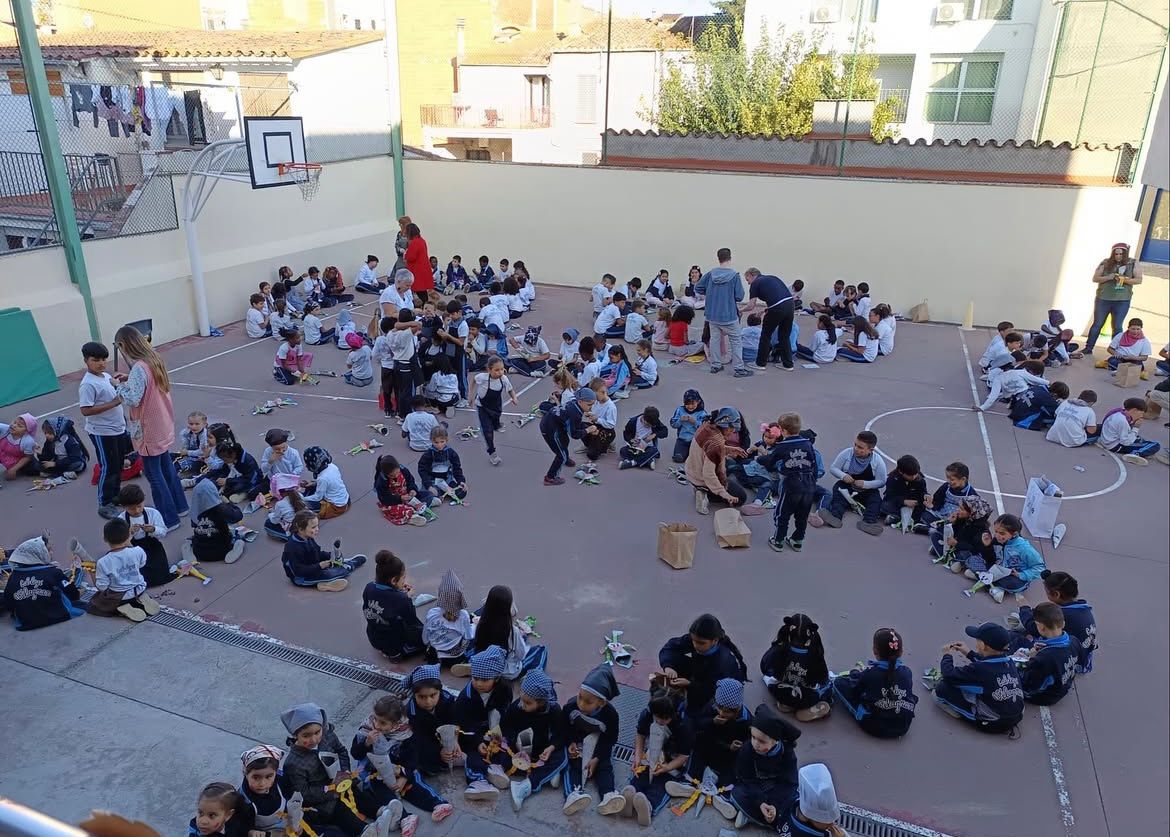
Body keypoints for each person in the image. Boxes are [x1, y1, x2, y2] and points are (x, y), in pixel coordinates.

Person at [112, 325, 189, 528]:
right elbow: (146, 384)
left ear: (124, 345)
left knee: (154, 475)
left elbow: (133, 398)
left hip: (148, 427)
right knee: (167, 467)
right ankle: (181, 507)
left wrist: (118, 386)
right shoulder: (153, 359)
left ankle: (168, 519)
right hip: (162, 422)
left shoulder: (139, 367)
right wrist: (129, 379)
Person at [350, 695, 452, 828]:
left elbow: (412, 759)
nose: (376, 725)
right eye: (375, 719)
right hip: (376, 771)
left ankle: (437, 804)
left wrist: (404, 777)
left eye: (383, 723)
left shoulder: (405, 734)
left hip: (399, 768)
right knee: (378, 789)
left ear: (396, 724)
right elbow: (355, 754)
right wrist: (366, 743)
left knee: (413, 781)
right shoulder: (366, 730)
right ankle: (404, 818)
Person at [279, 703, 369, 836]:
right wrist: (332, 792)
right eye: (306, 736)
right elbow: (303, 793)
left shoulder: (328, 736)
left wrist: (345, 770)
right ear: (295, 735)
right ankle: (364, 830)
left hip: (339, 781)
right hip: (322, 799)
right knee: (339, 810)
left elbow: (341, 751)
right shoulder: (293, 763)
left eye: (317, 732)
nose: (314, 739)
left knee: (357, 792)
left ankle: (382, 810)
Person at [716, 704, 800, 829]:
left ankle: (750, 815)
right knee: (737, 793)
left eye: (762, 741)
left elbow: (789, 782)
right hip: (754, 787)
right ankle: (761, 816)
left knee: (794, 798)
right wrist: (760, 802)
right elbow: (747, 779)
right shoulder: (747, 749)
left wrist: (774, 805)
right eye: (753, 737)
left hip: (776, 787)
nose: (755, 744)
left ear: (775, 741)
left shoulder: (786, 753)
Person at [934, 622, 1024, 734]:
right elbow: (988, 663)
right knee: (983, 686)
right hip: (1017, 715)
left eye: (977, 640)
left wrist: (946, 655)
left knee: (942, 688)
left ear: (982, 645)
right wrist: (969, 653)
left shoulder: (979, 669)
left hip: (993, 722)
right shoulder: (1009, 661)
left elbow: (948, 675)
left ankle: (964, 713)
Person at [560, 665, 625, 816]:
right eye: (580, 697)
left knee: (605, 767)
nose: (581, 704)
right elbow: (563, 727)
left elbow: (610, 739)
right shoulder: (571, 707)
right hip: (578, 745)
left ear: (601, 703)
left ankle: (608, 795)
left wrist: (597, 758)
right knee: (574, 765)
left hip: (598, 747)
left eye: (588, 702)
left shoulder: (611, 715)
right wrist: (570, 742)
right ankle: (573, 794)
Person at [79, 342, 134, 519]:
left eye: (104, 359)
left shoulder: (105, 376)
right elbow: (85, 410)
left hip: (117, 428)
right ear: (86, 361)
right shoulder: (88, 384)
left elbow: (113, 392)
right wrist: (114, 403)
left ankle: (115, 496)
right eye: (96, 360)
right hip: (102, 432)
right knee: (108, 467)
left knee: (118, 464)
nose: (101, 363)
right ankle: (104, 503)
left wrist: (119, 383)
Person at [499, 670, 568, 812]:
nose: (523, 705)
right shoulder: (517, 707)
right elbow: (506, 727)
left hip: (542, 751)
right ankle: (547, 775)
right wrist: (515, 742)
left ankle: (525, 786)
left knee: (562, 757)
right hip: (519, 750)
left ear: (541, 702)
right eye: (522, 699)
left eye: (528, 703)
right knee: (500, 750)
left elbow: (560, 734)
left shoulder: (554, 710)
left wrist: (551, 748)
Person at [832, 627, 918, 738]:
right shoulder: (907, 672)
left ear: (875, 651)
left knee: (839, 683)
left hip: (875, 726)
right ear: (901, 652)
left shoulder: (870, 674)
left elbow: (854, 692)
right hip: (903, 726)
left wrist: (855, 674)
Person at [625, 690, 693, 826]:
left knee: (662, 783)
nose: (661, 721)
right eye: (657, 717)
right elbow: (640, 735)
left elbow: (684, 756)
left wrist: (667, 767)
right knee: (642, 774)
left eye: (665, 718)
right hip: (652, 754)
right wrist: (637, 757)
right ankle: (630, 795)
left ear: (674, 713)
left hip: (673, 761)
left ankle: (649, 805)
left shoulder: (684, 726)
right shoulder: (648, 714)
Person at [1009, 570, 1097, 673]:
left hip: (1066, 660)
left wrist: (1024, 608)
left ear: (1056, 594)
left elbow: (1033, 628)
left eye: (1047, 592)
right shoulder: (1083, 608)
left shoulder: (1061, 614)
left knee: (1016, 638)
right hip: (1083, 656)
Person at [658, 613, 748, 713]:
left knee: (697, 711)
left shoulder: (724, 662)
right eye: (693, 640)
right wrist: (668, 667)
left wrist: (690, 685)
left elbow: (712, 689)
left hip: (717, 687)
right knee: (673, 658)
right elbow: (669, 648)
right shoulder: (697, 639)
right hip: (702, 671)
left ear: (715, 640)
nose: (696, 645)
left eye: (701, 643)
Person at [456, 646, 514, 801]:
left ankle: (496, 768)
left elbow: (504, 711)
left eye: (484, 680)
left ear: (496, 678)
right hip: (473, 733)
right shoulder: (465, 698)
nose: (479, 683)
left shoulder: (505, 689)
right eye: (475, 678)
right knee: (473, 753)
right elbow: (464, 724)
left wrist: (499, 732)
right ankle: (477, 781)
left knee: (508, 745)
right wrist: (477, 742)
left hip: (494, 730)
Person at [462, 584, 548, 681]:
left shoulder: (480, 623)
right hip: (505, 671)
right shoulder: (512, 631)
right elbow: (521, 655)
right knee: (541, 649)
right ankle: (534, 676)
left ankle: (475, 665)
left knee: (476, 645)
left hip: (483, 661)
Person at [1, 535, 84, 631]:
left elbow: (9, 604)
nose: (51, 552)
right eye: (48, 550)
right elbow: (73, 595)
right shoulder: (54, 572)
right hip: (59, 617)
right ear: (38, 553)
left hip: (25, 624)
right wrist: (79, 592)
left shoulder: (14, 576)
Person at [86, 517, 161, 622]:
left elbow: (102, 587)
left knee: (95, 602)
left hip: (120, 596)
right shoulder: (138, 551)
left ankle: (122, 607)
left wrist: (91, 571)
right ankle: (139, 599)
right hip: (139, 588)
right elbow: (142, 564)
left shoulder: (103, 562)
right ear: (128, 536)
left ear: (105, 539)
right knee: (135, 589)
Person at [759, 613, 831, 721]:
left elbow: (765, 668)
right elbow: (823, 678)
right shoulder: (814, 654)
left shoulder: (779, 650)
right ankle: (810, 706)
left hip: (782, 693)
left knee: (770, 681)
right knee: (829, 685)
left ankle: (787, 704)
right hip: (806, 697)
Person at [965, 513, 1046, 603]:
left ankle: (984, 579)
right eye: (996, 531)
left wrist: (1021, 575)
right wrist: (987, 546)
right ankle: (991, 584)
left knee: (1015, 584)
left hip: (1012, 575)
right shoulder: (997, 540)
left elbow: (1040, 568)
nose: (997, 535)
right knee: (972, 560)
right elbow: (990, 559)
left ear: (1014, 534)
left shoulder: (1024, 549)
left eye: (1002, 533)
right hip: (997, 568)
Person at [767, 413, 819, 552]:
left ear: (783, 430)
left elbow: (770, 462)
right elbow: (814, 464)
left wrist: (760, 459)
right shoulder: (807, 443)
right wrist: (813, 481)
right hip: (808, 484)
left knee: (782, 513)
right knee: (802, 515)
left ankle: (778, 540)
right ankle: (797, 540)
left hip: (791, 484)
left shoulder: (783, 446)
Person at [696, 248, 752, 377]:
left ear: (718, 258)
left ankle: (716, 365)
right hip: (729, 314)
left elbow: (698, 287)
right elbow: (739, 296)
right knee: (736, 341)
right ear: (730, 258)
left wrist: (710, 293)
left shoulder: (710, 274)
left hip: (712, 314)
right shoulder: (734, 276)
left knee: (715, 339)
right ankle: (739, 368)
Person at [819, 430, 887, 535]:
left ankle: (868, 522)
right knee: (838, 491)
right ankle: (835, 516)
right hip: (848, 486)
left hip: (867, 491)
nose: (855, 448)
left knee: (875, 500)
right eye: (855, 445)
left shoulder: (877, 461)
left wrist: (865, 484)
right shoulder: (847, 453)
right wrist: (843, 476)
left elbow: (882, 481)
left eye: (860, 447)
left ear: (870, 450)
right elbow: (834, 468)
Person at [686, 407, 749, 513]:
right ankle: (705, 493)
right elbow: (709, 474)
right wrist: (724, 493)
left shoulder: (706, 426)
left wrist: (729, 449)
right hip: (702, 479)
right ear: (724, 425)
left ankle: (700, 488)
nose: (733, 431)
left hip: (692, 472)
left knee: (729, 468)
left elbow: (706, 450)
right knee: (741, 497)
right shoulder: (716, 443)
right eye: (732, 428)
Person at [1017, 602, 1081, 706]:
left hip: (1043, 697)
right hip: (1063, 687)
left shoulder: (1044, 658)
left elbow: (1030, 683)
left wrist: (1028, 658)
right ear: (1063, 624)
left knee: (1011, 663)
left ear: (1041, 627)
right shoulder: (1074, 641)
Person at [362, 550, 424, 657]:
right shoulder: (401, 599)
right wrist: (407, 598)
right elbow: (412, 622)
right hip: (394, 646)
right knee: (426, 633)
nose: (404, 581)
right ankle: (397, 655)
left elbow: (385, 600)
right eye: (403, 578)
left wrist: (398, 592)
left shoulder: (369, 587)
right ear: (394, 580)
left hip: (374, 638)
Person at [403, 663, 461, 777]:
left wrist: (455, 740)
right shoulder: (411, 712)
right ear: (414, 695)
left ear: (440, 691)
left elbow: (454, 721)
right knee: (419, 753)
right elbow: (421, 737)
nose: (428, 702)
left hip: (449, 735)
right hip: (429, 739)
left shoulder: (448, 700)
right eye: (422, 697)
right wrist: (439, 751)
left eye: (433, 695)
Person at [1085, 242, 1143, 354]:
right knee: (1097, 324)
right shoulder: (1105, 262)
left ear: (1125, 254)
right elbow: (1095, 278)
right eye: (1116, 254)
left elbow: (1139, 280)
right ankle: (1088, 348)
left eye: (1121, 254)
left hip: (1122, 300)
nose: (1118, 256)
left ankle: (1117, 351)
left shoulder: (1133, 263)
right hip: (1103, 298)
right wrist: (1108, 277)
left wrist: (1124, 280)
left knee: (1117, 326)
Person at [115, 484, 175, 587]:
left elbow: (163, 532)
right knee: (141, 577)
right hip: (133, 549)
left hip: (152, 547)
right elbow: (118, 542)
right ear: (124, 507)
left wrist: (153, 529)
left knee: (161, 576)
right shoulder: (121, 519)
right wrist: (129, 534)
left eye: (139, 506)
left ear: (143, 500)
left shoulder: (153, 513)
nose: (137, 511)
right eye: (132, 509)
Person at [742, 267, 796, 371]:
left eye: (747, 280)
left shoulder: (755, 283)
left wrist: (740, 310)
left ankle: (760, 363)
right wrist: (766, 310)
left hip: (777, 308)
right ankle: (788, 365)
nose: (748, 283)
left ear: (751, 275)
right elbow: (778, 298)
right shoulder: (772, 278)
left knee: (766, 335)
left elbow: (751, 306)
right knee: (784, 336)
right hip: (790, 305)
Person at [468, 356, 518, 467]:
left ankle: (496, 424)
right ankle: (492, 453)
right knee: (488, 431)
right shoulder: (482, 377)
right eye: (496, 370)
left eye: (502, 369)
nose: (500, 372)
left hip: (496, 407)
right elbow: (473, 381)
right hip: (482, 407)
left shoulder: (504, 379)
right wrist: (470, 395)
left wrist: (514, 398)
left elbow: (510, 389)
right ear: (489, 370)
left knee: (495, 421)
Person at [539, 386, 593, 485]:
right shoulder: (575, 413)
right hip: (549, 429)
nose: (591, 407)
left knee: (564, 441)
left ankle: (566, 459)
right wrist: (588, 430)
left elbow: (575, 425)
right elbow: (574, 434)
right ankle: (550, 478)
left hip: (555, 424)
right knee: (561, 455)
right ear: (580, 401)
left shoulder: (575, 404)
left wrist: (586, 428)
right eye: (589, 405)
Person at [185, 480, 245, 564]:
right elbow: (238, 516)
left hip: (199, 551)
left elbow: (194, 525)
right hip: (222, 550)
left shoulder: (195, 510)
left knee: (192, 539)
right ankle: (236, 547)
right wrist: (228, 503)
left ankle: (189, 550)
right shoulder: (221, 509)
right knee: (236, 536)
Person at [423, 569, 474, 663]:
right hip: (455, 658)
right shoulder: (463, 615)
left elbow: (425, 640)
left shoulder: (432, 613)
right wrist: (475, 625)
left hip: (434, 656)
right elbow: (469, 636)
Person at [931, 495, 994, 572]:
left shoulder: (981, 530)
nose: (958, 510)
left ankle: (955, 561)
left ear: (972, 513)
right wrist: (951, 522)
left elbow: (974, 549)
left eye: (962, 509)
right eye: (959, 507)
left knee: (965, 555)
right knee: (935, 535)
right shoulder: (963, 519)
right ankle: (949, 558)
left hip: (966, 551)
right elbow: (952, 533)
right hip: (954, 546)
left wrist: (957, 544)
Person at [373, 453, 433, 527]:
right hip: (394, 501)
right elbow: (384, 498)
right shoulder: (382, 480)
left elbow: (410, 481)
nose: (396, 476)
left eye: (397, 473)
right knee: (396, 509)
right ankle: (412, 517)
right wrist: (399, 498)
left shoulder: (403, 470)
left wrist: (412, 489)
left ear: (398, 466)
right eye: (392, 475)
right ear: (386, 474)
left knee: (427, 494)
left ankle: (424, 503)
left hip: (407, 495)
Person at [1098, 396, 1161, 463]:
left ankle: (1143, 450)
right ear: (1134, 410)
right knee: (1155, 445)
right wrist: (1136, 427)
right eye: (1141, 413)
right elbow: (1126, 442)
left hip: (1106, 440)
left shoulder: (1118, 412)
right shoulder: (1123, 421)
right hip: (1115, 446)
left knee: (1140, 439)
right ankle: (1135, 454)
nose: (1141, 416)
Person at [418, 425, 467, 503]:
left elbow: (457, 468)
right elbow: (422, 470)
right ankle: (440, 493)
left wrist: (461, 481)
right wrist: (429, 485)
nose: (439, 445)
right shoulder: (428, 455)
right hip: (433, 480)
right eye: (436, 442)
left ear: (446, 439)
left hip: (446, 480)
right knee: (427, 495)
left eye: (442, 442)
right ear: (431, 440)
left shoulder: (451, 453)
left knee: (461, 493)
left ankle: (442, 493)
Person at [880, 454, 927, 533]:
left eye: (915, 474)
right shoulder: (893, 478)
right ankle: (898, 517)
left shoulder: (920, 480)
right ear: (901, 472)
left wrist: (925, 496)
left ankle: (914, 522)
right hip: (897, 504)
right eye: (910, 475)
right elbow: (890, 495)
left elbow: (922, 493)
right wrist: (903, 501)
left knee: (924, 511)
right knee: (884, 505)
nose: (914, 477)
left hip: (913, 505)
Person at [302, 446, 351, 519]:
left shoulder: (322, 478)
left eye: (307, 464)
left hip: (336, 507)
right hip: (346, 500)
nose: (306, 466)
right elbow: (330, 481)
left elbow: (318, 497)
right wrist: (314, 483)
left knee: (303, 505)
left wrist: (302, 498)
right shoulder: (332, 466)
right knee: (311, 488)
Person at [619, 406, 668, 470]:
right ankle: (648, 460)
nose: (648, 426)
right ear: (643, 418)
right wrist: (631, 440)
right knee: (623, 450)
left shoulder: (655, 422)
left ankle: (632, 462)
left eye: (651, 425)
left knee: (654, 451)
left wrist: (654, 435)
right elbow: (626, 434)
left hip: (648, 447)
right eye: (647, 424)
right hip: (635, 447)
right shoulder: (633, 421)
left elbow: (665, 431)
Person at [668, 389, 706, 463]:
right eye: (687, 404)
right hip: (682, 440)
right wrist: (680, 420)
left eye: (693, 404)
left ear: (698, 402)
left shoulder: (702, 413)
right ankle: (685, 454)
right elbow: (673, 424)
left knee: (696, 459)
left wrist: (695, 422)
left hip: (695, 441)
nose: (690, 406)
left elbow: (704, 429)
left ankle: (692, 454)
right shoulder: (680, 410)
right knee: (678, 458)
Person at [264, 474, 306, 540]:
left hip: (294, 528)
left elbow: (275, 521)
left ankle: (288, 536)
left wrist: (270, 515)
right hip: (305, 523)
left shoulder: (280, 504)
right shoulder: (300, 495)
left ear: (280, 492)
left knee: (268, 523)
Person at [404, 222, 432, 304]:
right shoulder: (421, 240)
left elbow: (411, 257)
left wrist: (406, 254)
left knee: (419, 290)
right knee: (422, 290)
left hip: (417, 269)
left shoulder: (414, 242)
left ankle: (423, 305)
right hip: (423, 267)